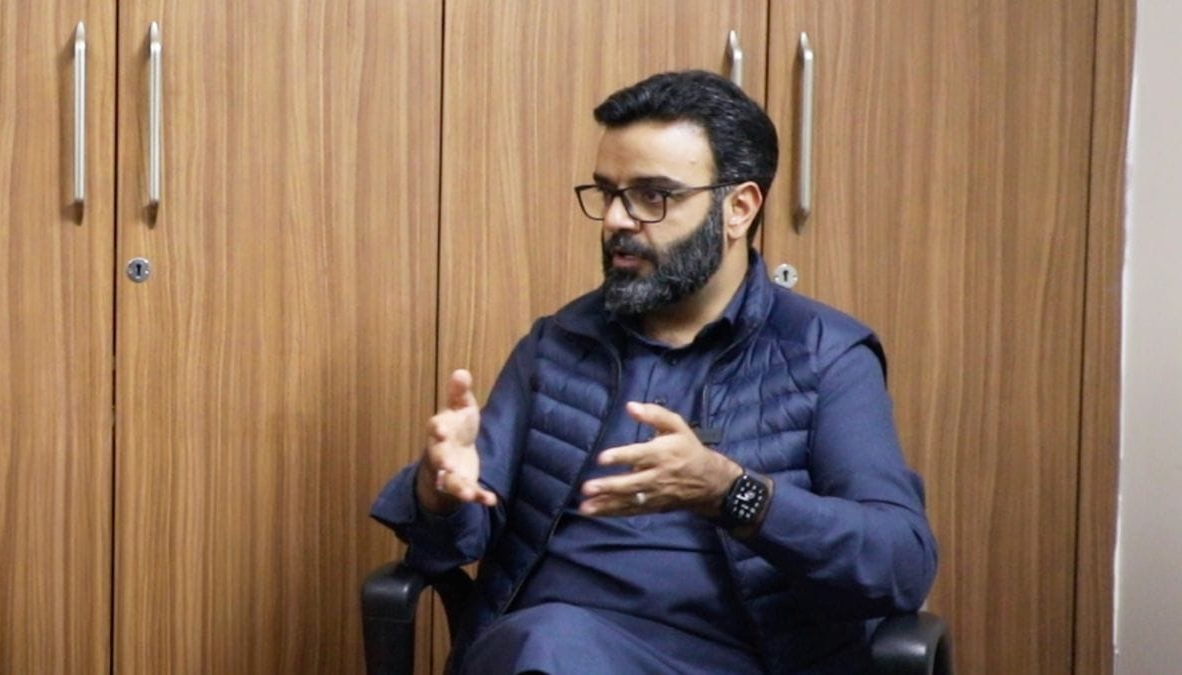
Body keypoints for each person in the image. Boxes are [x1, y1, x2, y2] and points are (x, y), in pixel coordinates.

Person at [371, 70, 937, 674]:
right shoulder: (558, 345)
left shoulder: (824, 356)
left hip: (733, 661)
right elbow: (446, 543)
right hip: (544, 649)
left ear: (739, 208)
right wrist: (438, 490)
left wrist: (729, 492)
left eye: (652, 196)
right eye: (607, 193)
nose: (617, 220)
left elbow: (898, 564)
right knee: (549, 640)